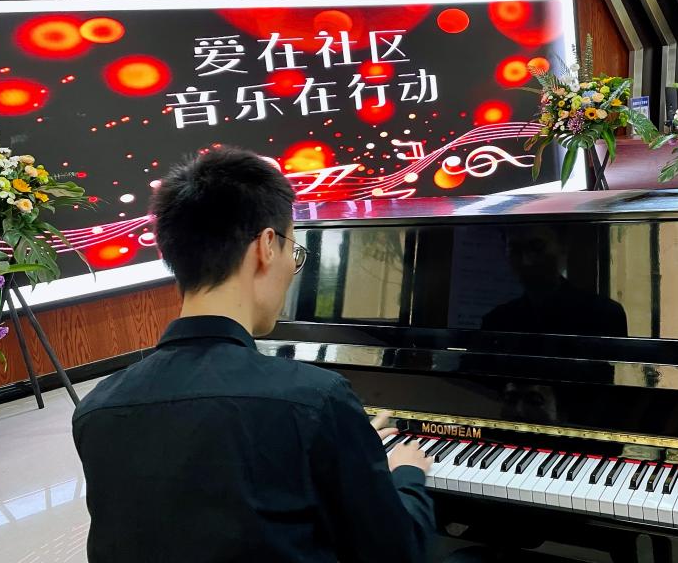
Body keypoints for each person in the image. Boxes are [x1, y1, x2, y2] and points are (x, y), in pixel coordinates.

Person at [72, 148, 435, 563]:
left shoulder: (97, 408)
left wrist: (339, 443)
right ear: (266, 246)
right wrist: (406, 474)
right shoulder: (315, 398)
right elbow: (397, 551)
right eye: (294, 252)